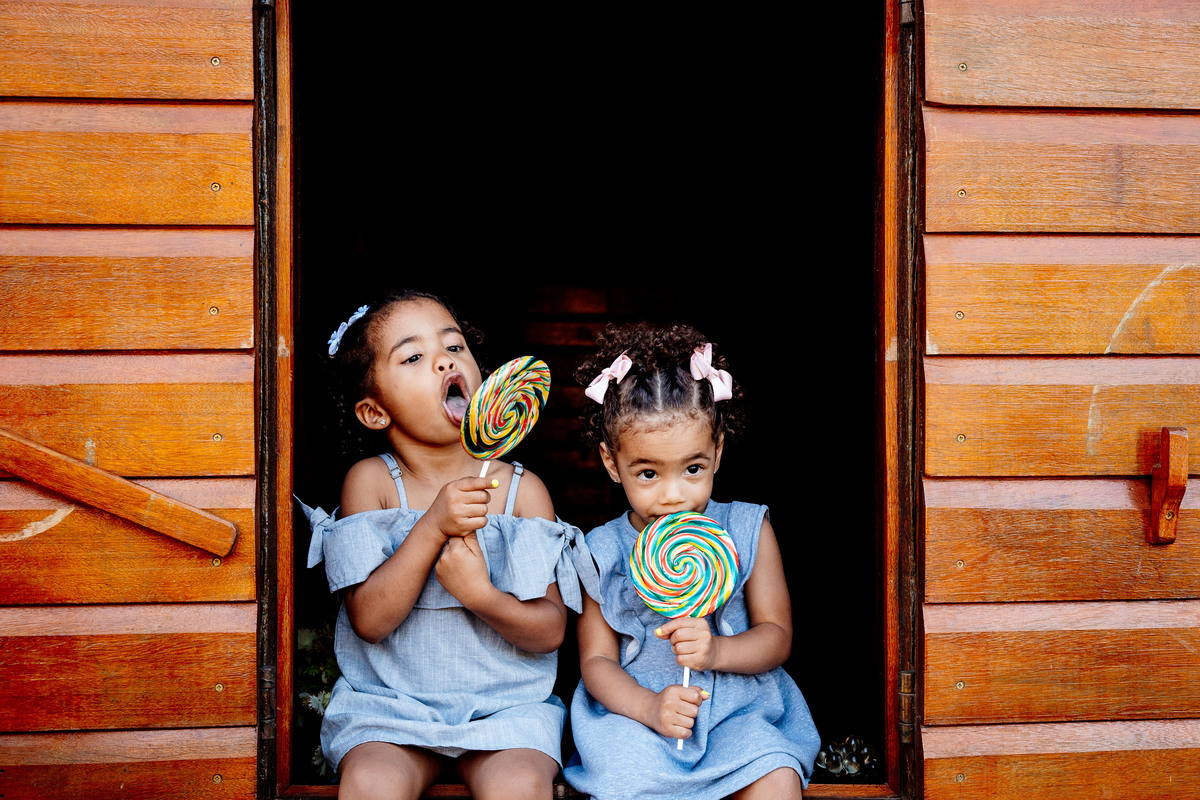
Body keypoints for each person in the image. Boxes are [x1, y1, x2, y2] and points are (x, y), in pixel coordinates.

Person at [298, 291, 590, 800]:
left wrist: (481, 595)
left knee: (520, 786)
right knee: (370, 782)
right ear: (374, 411)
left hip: (506, 711)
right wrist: (432, 525)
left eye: (454, 345)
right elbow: (369, 619)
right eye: (413, 357)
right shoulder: (373, 484)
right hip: (389, 708)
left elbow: (550, 632)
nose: (444, 359)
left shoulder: (524, 492)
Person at [563, 323, 820, 800]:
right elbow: (596, 662)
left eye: (693, 468)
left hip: (736, 713)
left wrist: (717, 652)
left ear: (718, 452)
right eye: (647, 473)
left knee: (776, 778)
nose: (674, 494)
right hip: (638, 718)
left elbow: (777, 637)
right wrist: (647, 707)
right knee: (625, 779)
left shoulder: (748, 529)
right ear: (611, 463)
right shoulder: (600, 551)